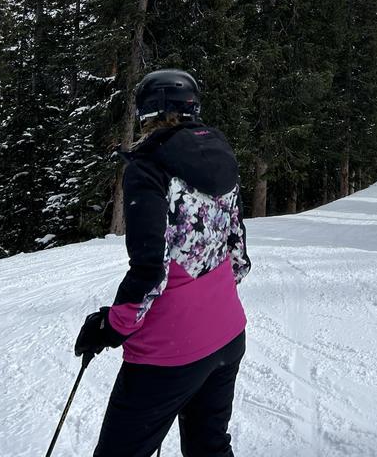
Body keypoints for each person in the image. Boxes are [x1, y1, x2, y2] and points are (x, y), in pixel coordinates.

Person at [75, 69, 251, 457]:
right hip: (228, 334)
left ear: (148, 115)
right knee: (210, 448)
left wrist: (111, 327)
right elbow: (237, 251)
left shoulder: (149, 166)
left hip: (169, 350)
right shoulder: (221, 154)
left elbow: (150, 268)